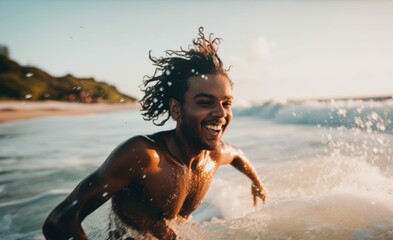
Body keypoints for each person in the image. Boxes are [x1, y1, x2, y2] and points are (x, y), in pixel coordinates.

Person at [42, 27, 266, 240]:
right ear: (176, 108)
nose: (220, 113)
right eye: (205, 102)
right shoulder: (145, 156)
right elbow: (59, 221)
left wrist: (256, 182)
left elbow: (237, 154)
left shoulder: (213, 155)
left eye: (227, 103)